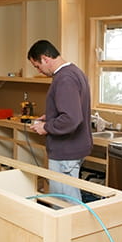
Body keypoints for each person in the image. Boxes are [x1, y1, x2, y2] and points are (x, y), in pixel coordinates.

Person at [27, 39, 92, 203]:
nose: (39, 70)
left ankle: (77, 230)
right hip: (72, 148)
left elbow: (71, 118)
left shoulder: (64, 79)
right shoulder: (74, 72)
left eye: (37, 66)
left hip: (66, 152)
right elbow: (71, 109)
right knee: (68, 200)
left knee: (64, 204)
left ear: (45, 58)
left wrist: (46, 127)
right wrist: (49, 117)